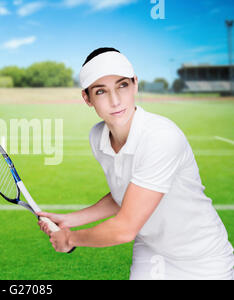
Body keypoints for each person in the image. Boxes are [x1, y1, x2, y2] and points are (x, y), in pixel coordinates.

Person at [37, 47, 234, 280]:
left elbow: (125, 228)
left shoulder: (161, 136)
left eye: (122, 85)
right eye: (101, 91)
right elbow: (127, 192)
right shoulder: (97, 136)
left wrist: (71, 238)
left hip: (203, 259)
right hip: (151, 252)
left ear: (135, 84)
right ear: (87, 98)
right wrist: (72, 219)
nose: (115, 100)